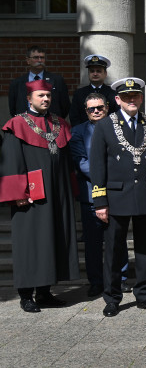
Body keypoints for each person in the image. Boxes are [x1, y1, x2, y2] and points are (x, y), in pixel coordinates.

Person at [90, 77, 146, 316]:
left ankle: (145, 294)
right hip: (115, 198)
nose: (131, 100)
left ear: (141, 98)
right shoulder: (105, 125)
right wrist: (100, 201)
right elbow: (97, 166)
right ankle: (113, 298)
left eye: (135, 96)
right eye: (126, 97)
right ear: (117, 100)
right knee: (114, 250)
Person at [0, 79, 79, 312]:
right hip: (30, 195)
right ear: (29, 98)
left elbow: (67, 162)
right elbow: (11, 161)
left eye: (48, 96)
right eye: (40, 96)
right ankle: (26, 294)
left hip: (57, 192)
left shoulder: (60, 124)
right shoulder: (16, 124)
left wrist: (69, 190)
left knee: (51, 240)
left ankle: (45, 292)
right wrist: (19, 193)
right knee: (30, 242)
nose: (45, 99)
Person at [70, 93, 130, 297]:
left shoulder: (120, 128)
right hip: (91, 196)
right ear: (85, 111)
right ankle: (95, 281)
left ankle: (120, 279)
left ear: (107, 107)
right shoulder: (78, 132)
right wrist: (107, 176)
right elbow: (81, 162)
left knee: (118, 239)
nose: (96, 111)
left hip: (117, 193)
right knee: (93, 243)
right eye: (91, 109)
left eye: (100, 107)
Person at [9, 45, 70, 118]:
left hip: (51, 123)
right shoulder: (17, 83)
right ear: (28, 60)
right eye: (36, 57)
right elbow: (13, 109)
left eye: (42, 57)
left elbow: (65, 105)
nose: (40, 60)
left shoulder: (57, 80)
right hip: (25, 123)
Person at [69, 55, 119, 126]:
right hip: (85, 133)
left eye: (98, 71)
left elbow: (117, 115)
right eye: (92, 71)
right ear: (88, 73)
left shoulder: (113, 93)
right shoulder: (79, 93)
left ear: (105, 74)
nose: (95, 74)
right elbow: (74, 117)